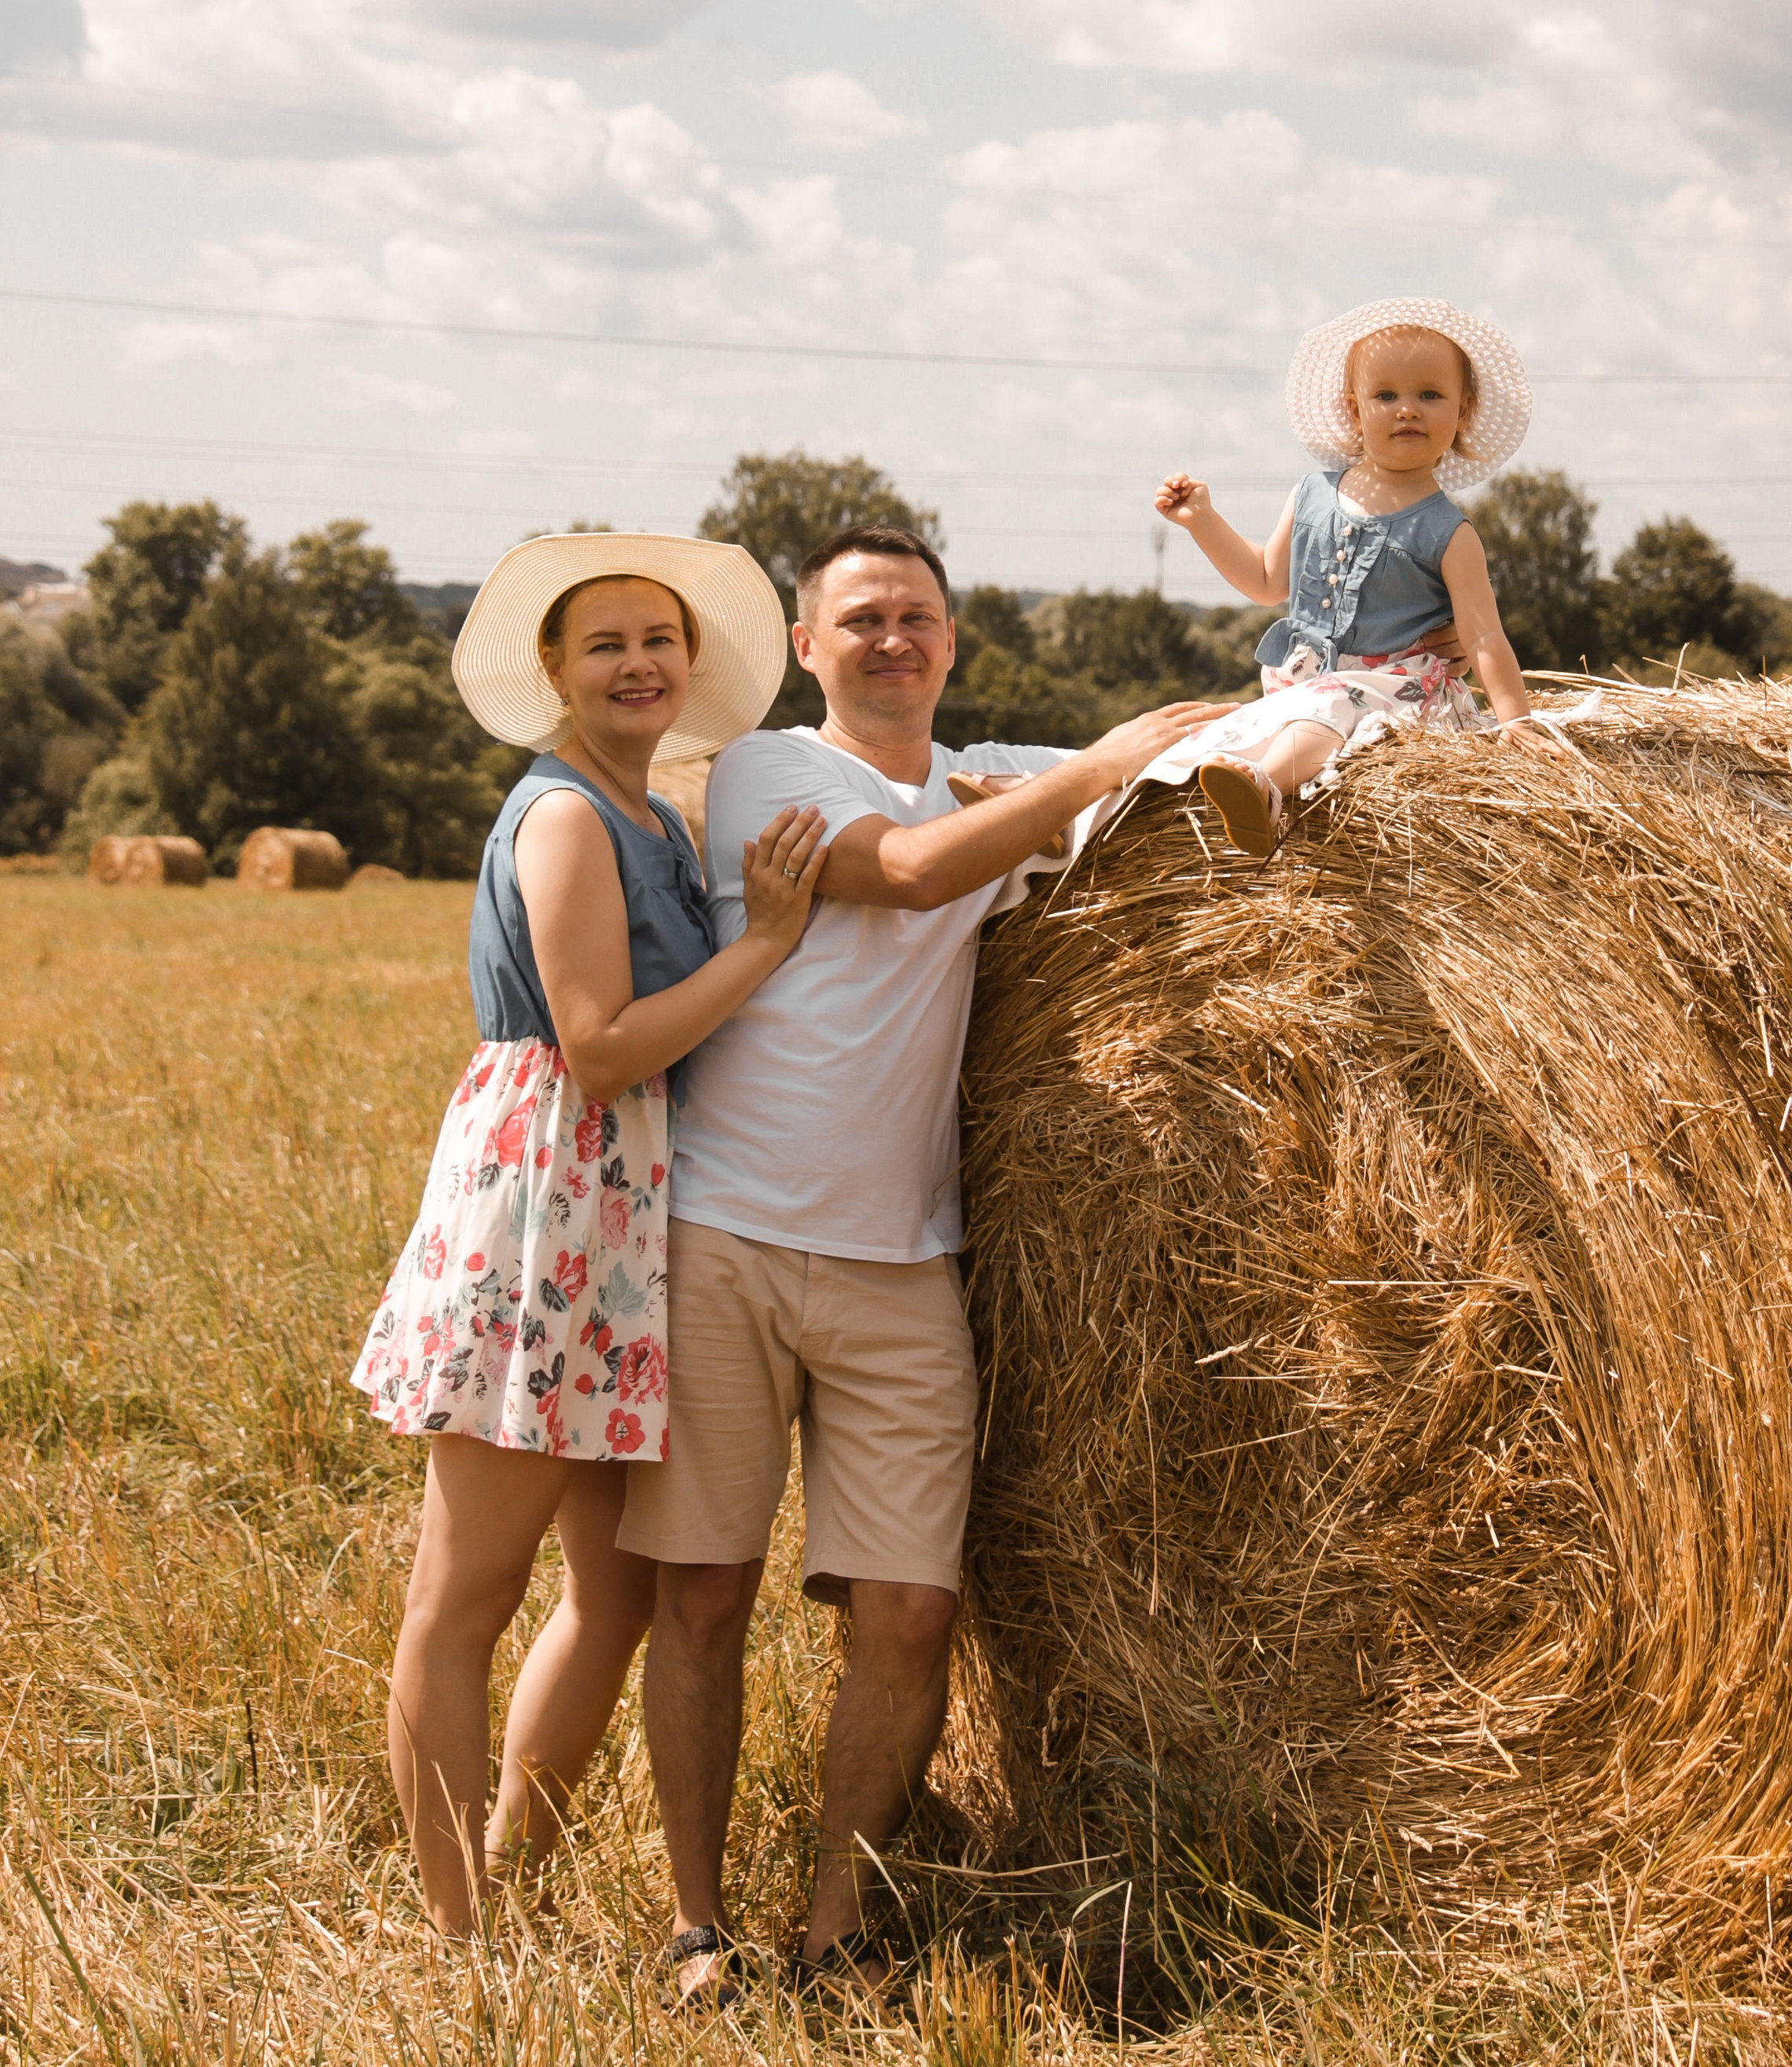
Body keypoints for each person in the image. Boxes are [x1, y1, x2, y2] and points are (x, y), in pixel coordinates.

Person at [616, 525, 1227, 2009]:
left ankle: (835, 1935)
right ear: (810, 648)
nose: (896, 639)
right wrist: (1086, 772)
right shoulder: (767, 772)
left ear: (952, 642)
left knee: (908, 1612)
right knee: (700, 1593)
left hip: (907, 1260)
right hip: (732, 1236)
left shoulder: (991, 771)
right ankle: (700, 1924)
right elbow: (901, 873)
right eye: (864, 619)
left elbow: (1184, 779)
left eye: (921, 618)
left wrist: (1320, 709)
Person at [351, 530, 829, 1934]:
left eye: (659, 641)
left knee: (615, 1598)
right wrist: (768, 945)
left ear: (690, 667)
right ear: (555, 668)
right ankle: (457, 1936)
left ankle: (513, 1872)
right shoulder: (564, 814)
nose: (638, 663)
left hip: (622, 1227)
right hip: (544, 1212)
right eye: (605, 642)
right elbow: (602, 1047)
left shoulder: (657, 819)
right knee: (464, 1598)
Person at [1152, 295, 1555, 852]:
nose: (1407, 409)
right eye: (1385, 395)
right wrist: (1203, 521)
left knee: (1329, 709)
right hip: (1310, 687)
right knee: (1210, 741)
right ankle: (1099, 808)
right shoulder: (1312, 493)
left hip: (1400, 693)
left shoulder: (1449, 532)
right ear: (1354, 408)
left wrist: (1515, 720)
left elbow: (1485, 635)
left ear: (1463, 411)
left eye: (1429, 395)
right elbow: (1267, 581)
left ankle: (1266, 791)